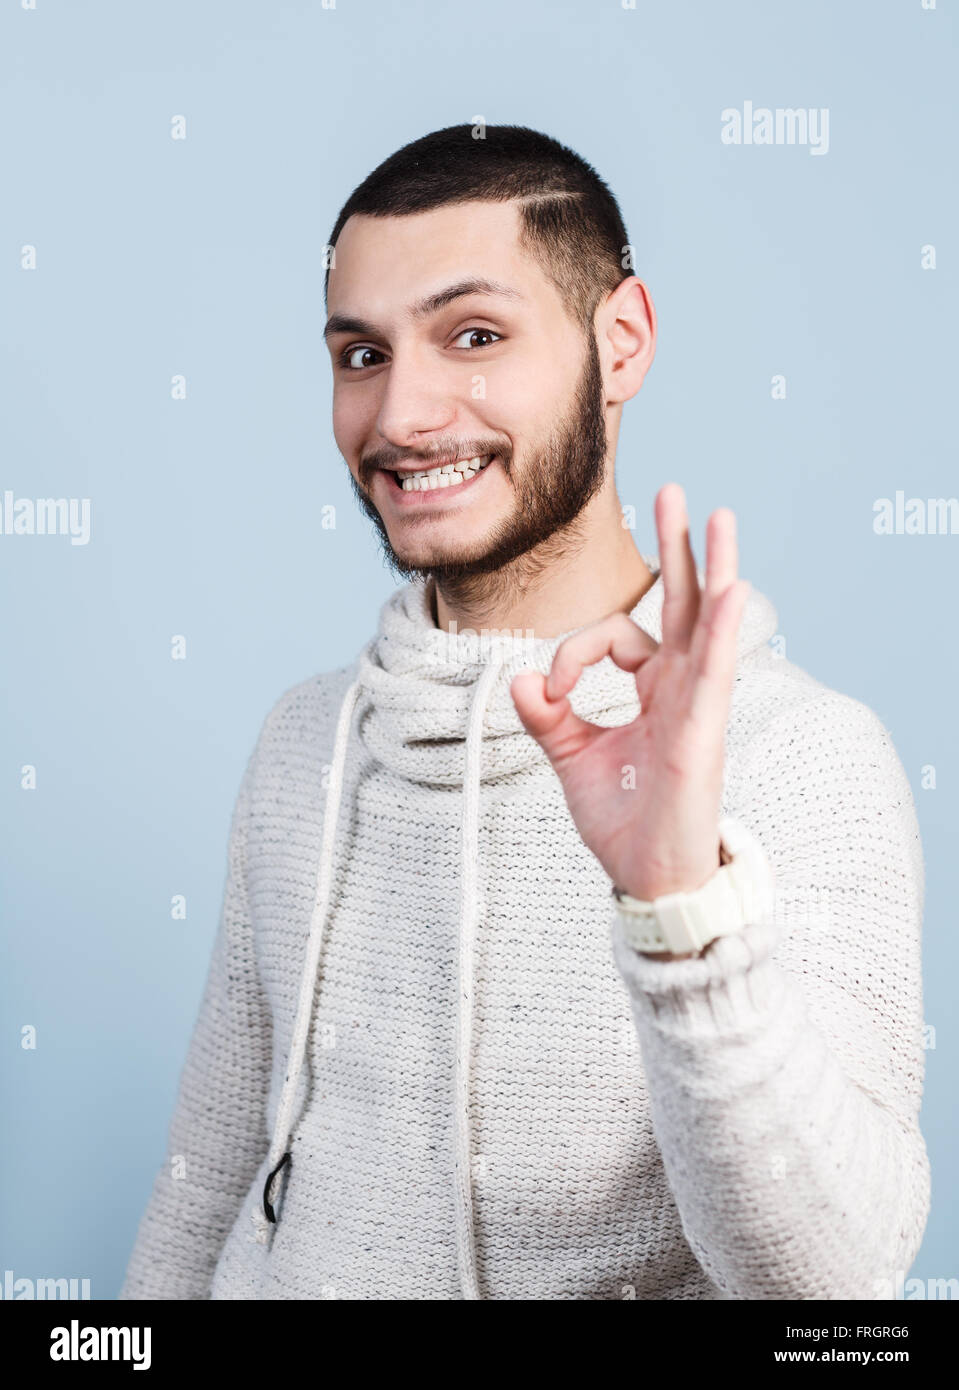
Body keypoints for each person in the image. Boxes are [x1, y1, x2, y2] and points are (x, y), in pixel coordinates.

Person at [119, 124, 930, 1300]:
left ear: (621, 341)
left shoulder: (803, 754)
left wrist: (677, 905)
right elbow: (206, 1181)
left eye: (476, 336)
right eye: (360, 354)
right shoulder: (307, 740)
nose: (400, 417)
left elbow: (831, 1284)